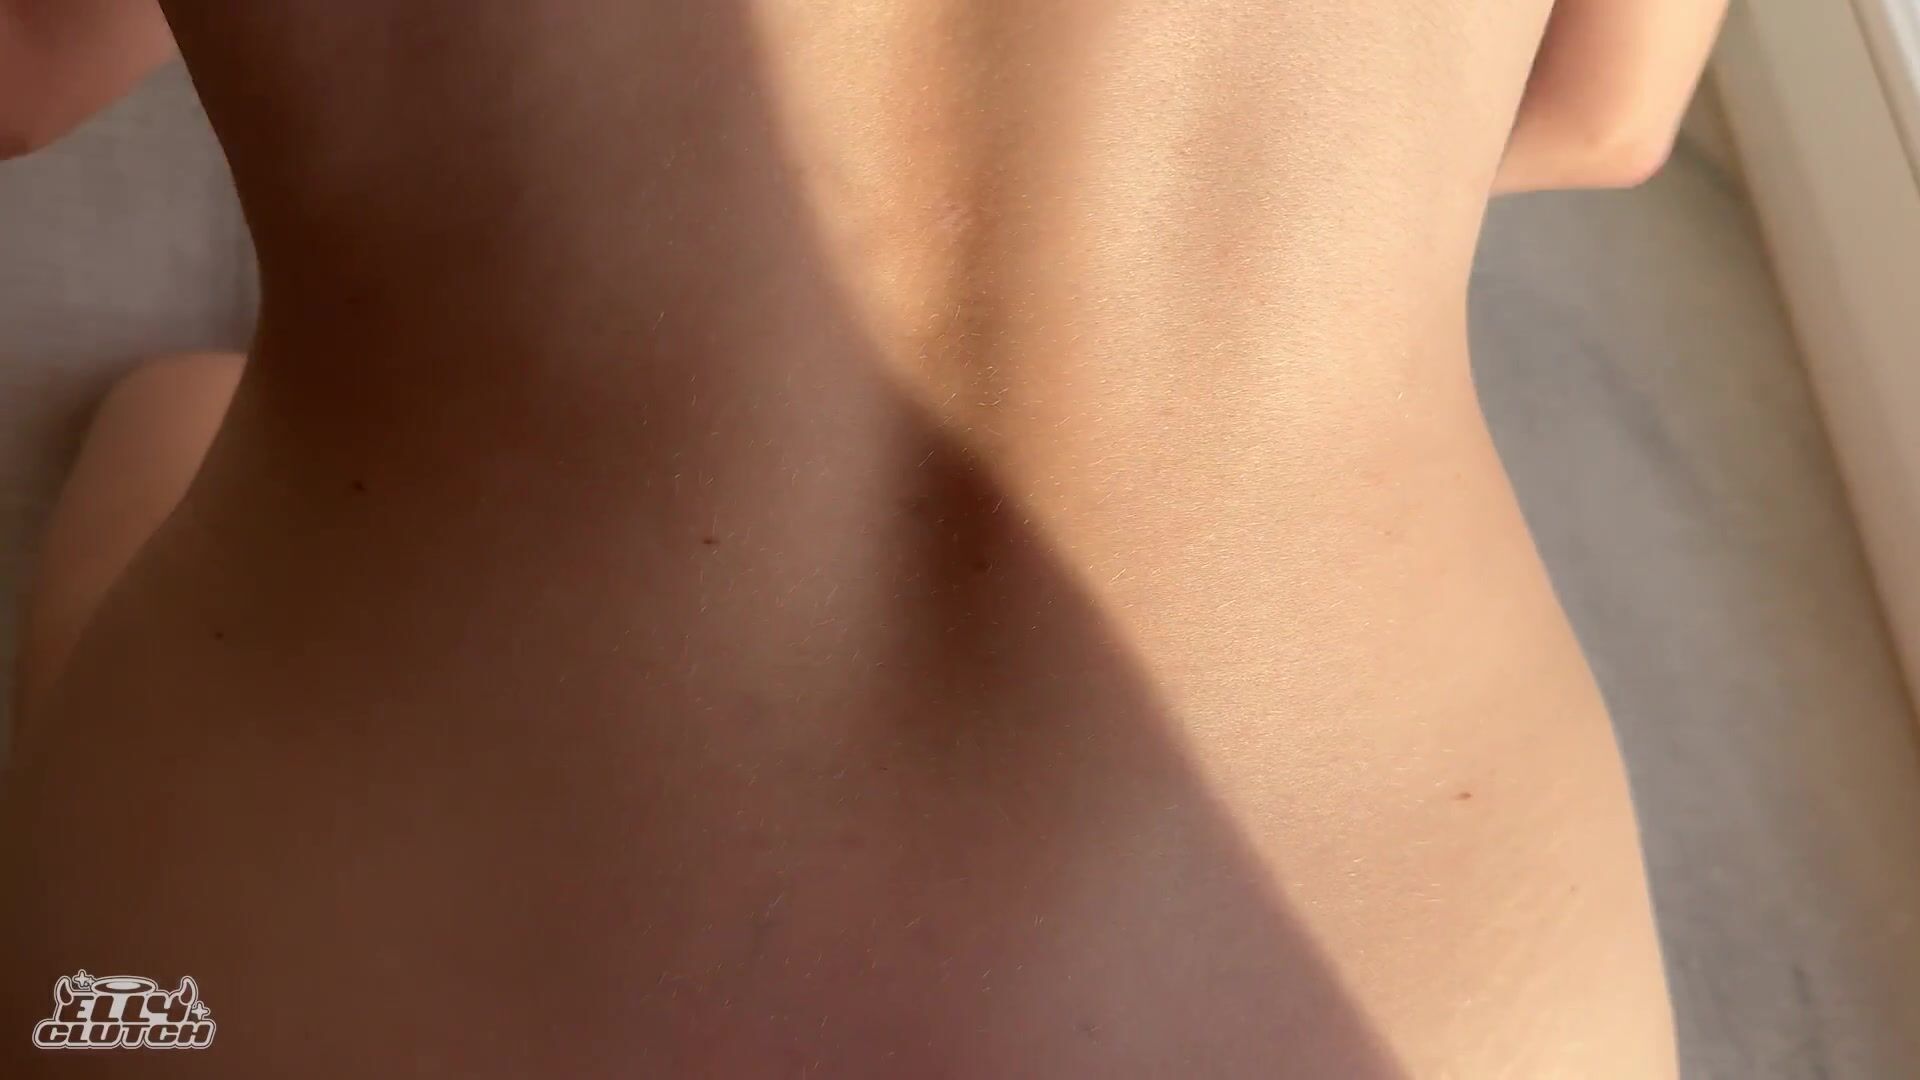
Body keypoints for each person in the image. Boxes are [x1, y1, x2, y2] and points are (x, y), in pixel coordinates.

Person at [1, 1, 1725, 1074]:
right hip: (1416, 993)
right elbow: (1607, 113)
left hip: (287, 991)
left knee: (172, 444)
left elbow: (26, 72)